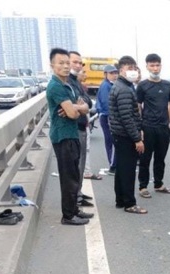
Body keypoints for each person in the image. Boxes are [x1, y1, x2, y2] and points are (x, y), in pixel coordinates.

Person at [45, 48, 93, 225]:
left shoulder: (67, 85)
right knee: (68, 177)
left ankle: (74, 210)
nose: (65, 66)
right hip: (63, 136)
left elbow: (85, 108)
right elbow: (73, 114)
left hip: (71, 134)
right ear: (52, 65)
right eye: (61, 63)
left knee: (74, 174)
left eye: (67, 63)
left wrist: (75, 108)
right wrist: (75, 109)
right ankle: (68, 215)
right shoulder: (56, 86)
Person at [109, 55, 148, 214]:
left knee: (121, 169)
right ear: (121, 70)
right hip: (125, 135)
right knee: (128, 170)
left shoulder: (121, 86)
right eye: (129, 68)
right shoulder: (124, 89)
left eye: (134, 68)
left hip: (119, 134)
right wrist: (137, 138)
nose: (132, 71)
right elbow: (127, 117)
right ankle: (129, 203)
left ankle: (120, 199)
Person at [136, 53, 170, 198]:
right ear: (147, 66)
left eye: (157, 65)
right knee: (145, 159)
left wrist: (169, 120)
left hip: (163, 128)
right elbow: (138, 106)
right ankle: (143, 186)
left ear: (161, 66)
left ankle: (158, 184)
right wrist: (139, 126)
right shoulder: (142, 86)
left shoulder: (167, 85)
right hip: (148, 127)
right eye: (152, 65)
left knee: (160, 158)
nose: (155, 68)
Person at [67, 51, 96, 206]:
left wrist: (82, 105)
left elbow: (87, 103)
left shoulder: (76, 81)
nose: (78, 66)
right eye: (75, 62)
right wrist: (81, 105)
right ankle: (74, 198)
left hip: (82, 125)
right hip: (74, 128)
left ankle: (78, 192)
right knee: (75, 164)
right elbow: (74, 103)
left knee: (81, 162)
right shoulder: (67, 82)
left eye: (80, 63)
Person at [96, 64, 119, 175]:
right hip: (108, 116)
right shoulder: (106, 86)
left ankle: (113, 164)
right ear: (105, 74)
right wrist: (112, 117)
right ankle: (113, 166)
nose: (114, 75)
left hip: (107, 116)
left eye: (115, 73)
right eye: (111, 73)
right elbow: (107, 103)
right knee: (112, 141)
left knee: (110, 141)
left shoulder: (110, 85)